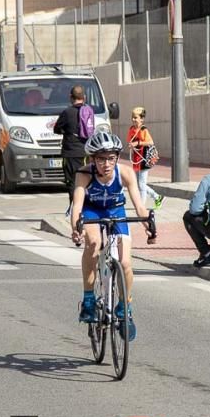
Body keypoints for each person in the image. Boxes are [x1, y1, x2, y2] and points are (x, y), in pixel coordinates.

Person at [70, 132, 154, 340]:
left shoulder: (125, 173)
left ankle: (125, 308)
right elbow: (77, 206)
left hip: (116, 212)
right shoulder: (84, 174)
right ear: (92, 160)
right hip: (92, 211)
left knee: (125, 262)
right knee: (94, 243)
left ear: (117, 157)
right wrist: (76, 228)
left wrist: (149, 224)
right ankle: (89, 298)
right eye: (101, 159)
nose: (106, 164)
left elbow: (139, 206)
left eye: (111, 158)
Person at [53, 85, 91, 205]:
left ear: (71, 97)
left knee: (72, 181)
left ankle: (74, 207)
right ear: (84, 97)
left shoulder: (67, 112)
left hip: (70, 152)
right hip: (85, 152)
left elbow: (56, 129)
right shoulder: (88, 111)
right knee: (85, 180)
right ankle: (86, 206)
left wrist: (65, 131)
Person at [127, 107, 164, 210]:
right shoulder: (131, 129)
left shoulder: (143, 130)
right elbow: (130, 141)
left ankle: (141, 206)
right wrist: (131, 145)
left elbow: (150, 142)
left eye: (136, 117)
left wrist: (138, 143)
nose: (134, 119)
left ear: (142, 119)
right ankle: (157, 197)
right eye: (132, 117)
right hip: (136, 159)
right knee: (139, 184)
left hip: (144, 159)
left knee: (142, 184)